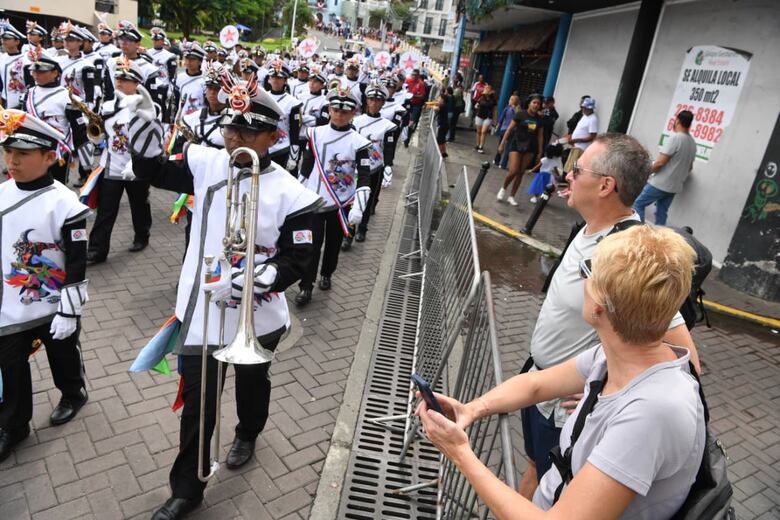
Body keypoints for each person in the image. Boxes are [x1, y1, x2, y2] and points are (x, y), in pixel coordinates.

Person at [129, 75, 322, 520]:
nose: (235, 138)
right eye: (230, 128)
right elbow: (154, 173)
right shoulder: (206, 162)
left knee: (253, 384)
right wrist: (142, 143)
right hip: (201, 314)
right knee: (198, 404)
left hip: (257, 315)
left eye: (248, 132)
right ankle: (187, 489)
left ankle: (248, 432)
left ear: (273, 136)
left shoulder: (295, 194)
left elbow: (298, 260)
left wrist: (251, 279)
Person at [417, 225, 705, 520]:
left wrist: (459, 452)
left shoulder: (651, 414)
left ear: (599, 308)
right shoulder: (619, 354)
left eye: (588, 270)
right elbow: (536, 385)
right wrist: (473, 409)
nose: (583, 278)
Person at [513, 133, 700, 498]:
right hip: (540, 385)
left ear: (605, 186)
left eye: (577, 168)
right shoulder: (587, 228)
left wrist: (603, 389)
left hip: (565, 409)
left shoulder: (630, 254)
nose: (568, 174)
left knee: (555, 494)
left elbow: (687, 361)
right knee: (534, 466)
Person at [0, 108, 90, 462]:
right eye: (9, 152)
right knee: (10, 364)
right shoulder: (2, 193)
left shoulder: (65, 203)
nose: (12, 161)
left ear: (49, 157)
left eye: (23, 154)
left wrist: (70, 310)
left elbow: (77, 262)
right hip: (10, 302)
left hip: (53, 301)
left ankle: (73, 393)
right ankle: (14, 424)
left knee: (63, 354)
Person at [295, 87, 372, 306]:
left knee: (333, 243)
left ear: (353, 113)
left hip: (341, 202)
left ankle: (327, 273)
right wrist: (297, 194)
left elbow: (364, 176)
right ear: (329, 110)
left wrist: (359, 206)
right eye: (335, 110)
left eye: (345, 111)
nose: (339, 115)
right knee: (311, 245)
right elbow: (306, 166)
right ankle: (306, 286)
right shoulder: (315, 133)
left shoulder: (359, 142)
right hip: (315, 200)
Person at [86, 58, 155, 264]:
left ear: (137, 84)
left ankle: (142, 236)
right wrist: (93, 132)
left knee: (139, 205)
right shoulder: (107, 106)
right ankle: (97, 250)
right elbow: (98, 138)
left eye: (125, 80)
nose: (119, 82)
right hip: (112, 167)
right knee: (105, 211)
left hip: (136, 168)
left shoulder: (148, 107)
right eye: (117, 78)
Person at [346, 82, 398, 245]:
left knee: (368, 200)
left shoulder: (389, 126)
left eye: (378, 100)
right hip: (356, 168)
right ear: (367, 101)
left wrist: (388, 166)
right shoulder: (356, 122)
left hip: (375, 168)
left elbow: (389, 148)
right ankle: (349, 233)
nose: (374, 103)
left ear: (383, 103)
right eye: (371, 99)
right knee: (352, 200)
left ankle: (362, 228)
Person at [633, 110, 696, 225]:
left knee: (638, 204)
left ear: (677, 121)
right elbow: (690, 167)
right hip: (674, 187)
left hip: (660, 184)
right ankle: (661, 235)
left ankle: (641, 232)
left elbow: (659, 163)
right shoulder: (692, 143)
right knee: (661, 212)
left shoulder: (675, 139)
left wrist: (645, 173)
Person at [496, 93, 544, 206]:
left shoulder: (539, 119)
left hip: (530, 147)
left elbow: (540, 136)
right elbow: (509, 129)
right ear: (529, 103)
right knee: (514, 170)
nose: (536, 105)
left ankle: (512, 196)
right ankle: (503, 188)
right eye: (534, 102)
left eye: (538, 104)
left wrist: (540, 152)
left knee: (521, 172)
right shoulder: (520, 114)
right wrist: (502, 144)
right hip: (517, 145)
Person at [266, 59, 302, 173]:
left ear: (285, 80)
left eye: (279, 78)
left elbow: (295, 131)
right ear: (269, 79)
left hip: (283, 149)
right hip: (264, 147)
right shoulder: (263, 97)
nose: (275, 80)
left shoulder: (293, 102)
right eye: (273, 77)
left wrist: (293, 156)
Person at [563, 97, 598, 173]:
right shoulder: (585, 116)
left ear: (590, 108)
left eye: (584, 108)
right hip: (575, 145)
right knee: (568, 165)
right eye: (582, 107)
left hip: (580, 148)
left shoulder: (593, 119)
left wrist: (577, 140)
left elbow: (592, 136)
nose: (583, 109)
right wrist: (572, 136)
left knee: (572, 168)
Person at [0, 22, 27, 110]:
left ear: (17, 41)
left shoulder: (25, 59)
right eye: (3, 39)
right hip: (4, 100)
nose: (4, 41)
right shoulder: (2, 57)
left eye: (8, 39)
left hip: (19, 101)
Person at [403, 68, 427, 147]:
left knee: (412, 122)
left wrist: (414, 95)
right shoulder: (407, 81)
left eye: (415, 75)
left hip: (416, 105)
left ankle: (408, 137)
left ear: (418, 76)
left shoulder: (421, 84)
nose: (413, 76)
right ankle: (405, 135)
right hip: (408, 104)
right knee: (406, 121)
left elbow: (422, 96)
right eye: (412, 75)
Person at [494, 95, 519, 169]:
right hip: (513, 131)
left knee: (501, 144)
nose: (509, 100)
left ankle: (497, 160)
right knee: (508, 148)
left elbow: (501, 118)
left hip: (504, 129)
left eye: (510, 99)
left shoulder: (507, 108)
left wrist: (497, 126)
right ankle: (503, 164)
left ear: (512, 101)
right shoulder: (518, 110)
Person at [473, 84, 496, 154]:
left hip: (488, 117)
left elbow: (494, 110)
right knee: (478, 131)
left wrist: (494, 120)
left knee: (484, 132)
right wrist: (476, 106)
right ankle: (477, 144)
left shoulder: (493, 100)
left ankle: (481, 146)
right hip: (480, 115)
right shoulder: (481, 98)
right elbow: (476, 105)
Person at [435, 87, 451, 158]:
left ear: (443, 100)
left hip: (443, 125)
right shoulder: (443, 105)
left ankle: (438, 154)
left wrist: (433, 105)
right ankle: (444, 153)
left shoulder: (443, 106)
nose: (438, 99)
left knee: (440, 140)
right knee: (442, 140)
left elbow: (436, 109)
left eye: (439, 98)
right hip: (444, 125)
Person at [448, 76, 465, 141]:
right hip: (454, 107)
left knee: (452, 123)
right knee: (451, 123)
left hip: (456, 108)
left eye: (455, 80)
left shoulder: (458, 90)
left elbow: (453, 98)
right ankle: (450, 136)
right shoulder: (456, 89)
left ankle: (451, 137)